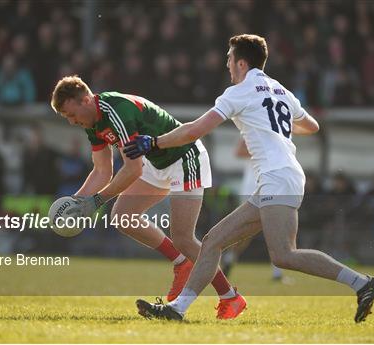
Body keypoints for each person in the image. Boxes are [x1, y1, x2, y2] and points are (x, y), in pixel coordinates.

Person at [126, 34, 374, 323]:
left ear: (241, 63)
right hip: (282, 177)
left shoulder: (238, 92)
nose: (226, 65)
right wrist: (276, 130)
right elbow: (311, 125)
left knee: (284, 255)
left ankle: (362, 283)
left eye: (229, 59)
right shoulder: (280, 89)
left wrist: (155, 143)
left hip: (277, 178)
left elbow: (194, 130)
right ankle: (177, 310)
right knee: (212, 241)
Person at [50, 76, 242, 319]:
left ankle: (230, 297)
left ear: (85, 100)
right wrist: (77, 202)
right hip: (156, 163)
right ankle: (182, 263)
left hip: (184, 158)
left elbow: (132, 169)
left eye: (71, 114)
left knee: (183, 237)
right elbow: (102, 171)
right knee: (122, 216)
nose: (71, 122)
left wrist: (96, 201)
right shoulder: (92, 123)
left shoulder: (115, 110)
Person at [220, 139, 284, 280]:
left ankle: (277, 273)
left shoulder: (276, 133)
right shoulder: (251, 132)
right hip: (251, 187)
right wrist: (262, 152)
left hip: (269, 186)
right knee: (245, 232)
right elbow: (239, 152)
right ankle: (228, 258)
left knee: (274, 228)